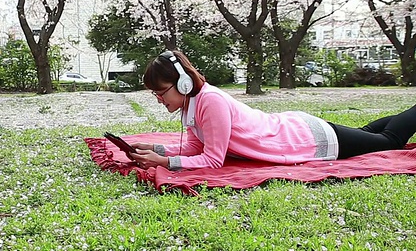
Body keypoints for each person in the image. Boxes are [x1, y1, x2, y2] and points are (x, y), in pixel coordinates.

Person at [129, 50, 416, 171]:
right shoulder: (191, 103)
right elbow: (194, 148)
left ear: (182, 82)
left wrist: (164, 164)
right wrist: (155, 150)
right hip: (294, 128)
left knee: (389, 142)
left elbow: (213, 161)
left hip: (305, 139)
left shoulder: (210, 101)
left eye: (160, 92)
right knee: (366, 133)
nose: (158, 99)